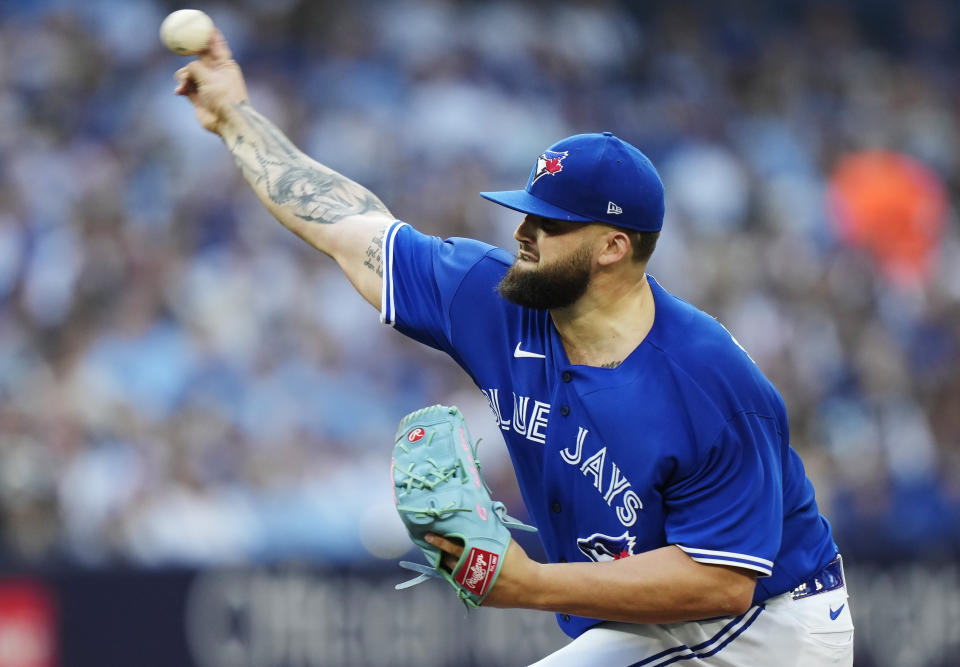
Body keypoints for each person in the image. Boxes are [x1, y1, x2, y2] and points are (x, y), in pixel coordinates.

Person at [174, 31, 854, 667]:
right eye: (527, 210)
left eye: (549, 222)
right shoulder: (496, 301)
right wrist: (236, 117)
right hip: (666, 621)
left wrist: (525, 582)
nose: (523, 230)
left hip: (769, 630)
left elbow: (722, 581)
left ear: (613, 246)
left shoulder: (708, 380)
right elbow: (347, 225)